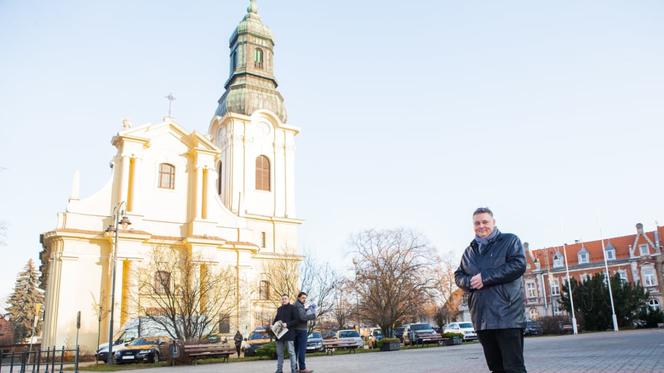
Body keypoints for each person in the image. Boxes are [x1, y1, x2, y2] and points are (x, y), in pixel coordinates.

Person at [454, 207, 527, 373]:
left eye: (485, 222)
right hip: (482, 318)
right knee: (496, 368)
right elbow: (458, 275)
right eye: (477, 223)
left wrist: (485, 278)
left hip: (507, 316)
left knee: (513, 368)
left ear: (493, 222)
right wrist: (470, 282)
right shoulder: (469, 251)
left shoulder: (510, 241)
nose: (481, 226)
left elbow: (518, 265)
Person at [273, 294, 298, 373]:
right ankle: (279, 370)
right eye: (282, 299)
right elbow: (276, 320)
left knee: (291, 353)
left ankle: (294, 370)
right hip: (279, 335)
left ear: (288, 299)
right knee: (280, 354)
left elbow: (296, 320)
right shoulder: (279, 309)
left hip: (289, 334)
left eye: (285, 298)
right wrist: (272, 325)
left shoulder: (293, 308)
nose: (284, 300)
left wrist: (287, 324)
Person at [293, 291, 316, 373]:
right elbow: (302, 317)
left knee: (295, 350)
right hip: (301, 330)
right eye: (303, 298)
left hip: (296, 330)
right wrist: (313, 315)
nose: (304, 300)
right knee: (302, 350)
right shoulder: (299, 306)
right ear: (298, 297)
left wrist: (306, 309)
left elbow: (300, 314)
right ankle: (302, 368)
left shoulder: (297, 305)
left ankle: (294, 368)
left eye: (305, 298)